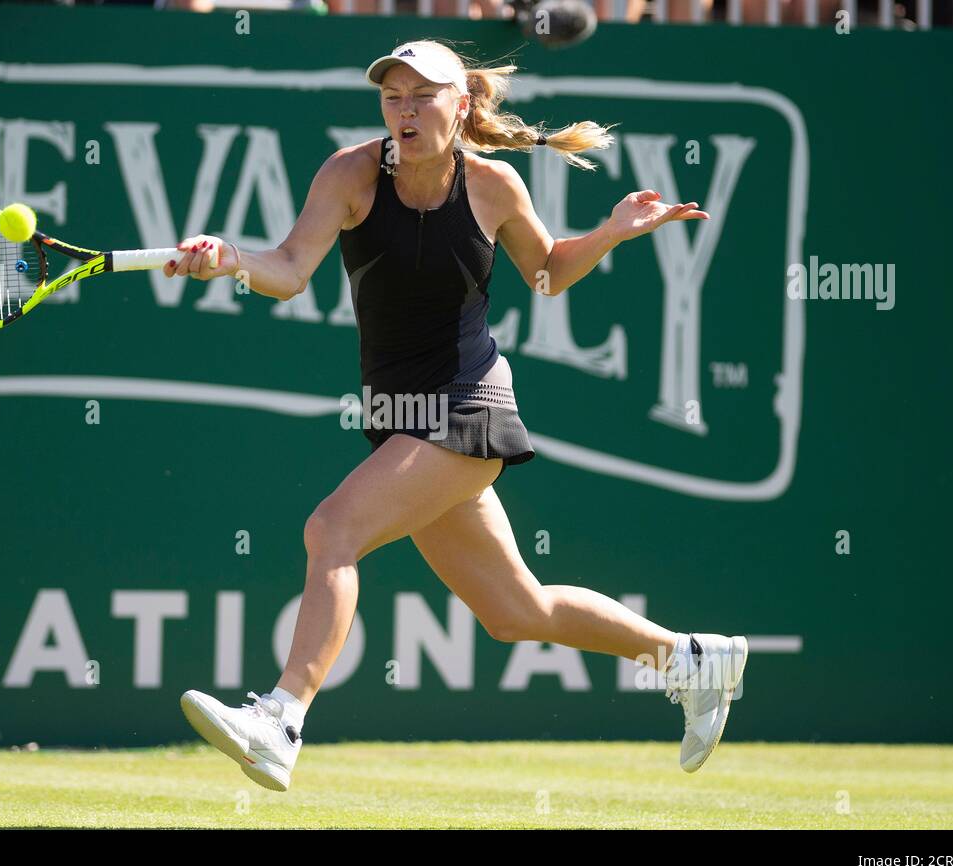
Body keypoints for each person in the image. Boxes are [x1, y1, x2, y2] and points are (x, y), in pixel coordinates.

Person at [168, 40, 748, 792]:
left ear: (460, 105)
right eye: (393, 97)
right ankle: (694, 660)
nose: (404, 112)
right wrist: (232, 260)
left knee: (331, 529)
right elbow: (288, 268)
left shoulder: (493, 186)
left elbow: (546, 272)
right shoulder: (348, 174)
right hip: (402, 415)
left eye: (422, 97)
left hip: (468, 405)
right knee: (517, 610)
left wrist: (610, 232)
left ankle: (281, 719)